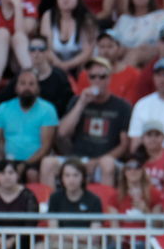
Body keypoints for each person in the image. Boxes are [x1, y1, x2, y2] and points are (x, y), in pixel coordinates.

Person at [45, 55, 130, 187]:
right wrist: (81, 104)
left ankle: (105, 205)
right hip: (77, 159)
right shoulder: (78, 100)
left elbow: (124, 145)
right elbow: (62, 132)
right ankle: (49, 205)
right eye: (92, 77)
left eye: (102, 77)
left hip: (104, 160)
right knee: (48, 164)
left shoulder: (122, 106)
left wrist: (98, 161)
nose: (97, 81)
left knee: (106, 164)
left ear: (109, 78)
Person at [0, 68, 57, 182]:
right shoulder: (2, 108)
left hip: (35, 161)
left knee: (31, 173)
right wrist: (3, 163)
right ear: (16, 88)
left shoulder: (48, 110)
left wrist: (24, 164)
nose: (27, 88)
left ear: (38, 89)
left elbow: (45, 148)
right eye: (23, 83)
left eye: (31, 84)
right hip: (7, 160)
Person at [0, 34, 73, 116]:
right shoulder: (23, 77)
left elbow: (68, 105)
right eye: (33, 49)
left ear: (48, 52)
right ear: (28, 52)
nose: (37, 52)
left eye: (41, 49)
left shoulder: (59, 76)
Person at [40, 0, 96, 76]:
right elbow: (46, 47)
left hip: (79, 66)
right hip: (55, 64)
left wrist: (67, 65)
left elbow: (87, 52)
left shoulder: (86, 18)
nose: (65, 0)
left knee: (87, 65)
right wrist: (58, 63)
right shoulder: (48, 16)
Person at [81, 30, 140, 103]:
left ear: (119, 49)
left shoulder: (133, 75)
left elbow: (130, 105)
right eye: (102, 47)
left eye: (110, 46)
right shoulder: (86, 75)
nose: (105, 51)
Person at [114, 0, 164, 67]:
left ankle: (121, 77)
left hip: (153, 53)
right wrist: (128, 50)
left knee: (137, 52)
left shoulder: (161, 16)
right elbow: (113, 40)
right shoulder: (124, 19)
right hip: (124, 54)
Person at [140, 118, 164, 191]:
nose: (153, 139)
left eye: (157, 135)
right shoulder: (136, 156)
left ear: (163, 138)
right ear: (142, 139)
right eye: (149, 135)